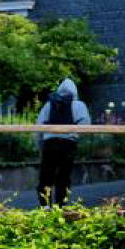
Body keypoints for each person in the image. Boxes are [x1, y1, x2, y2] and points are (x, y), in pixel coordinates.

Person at [36, 78, 90, 206]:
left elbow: (38, 126)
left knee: (46, 176)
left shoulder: (49, 105)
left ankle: (45, 207)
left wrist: (39, 144)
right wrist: (75, 135)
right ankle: (60, 206)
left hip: (50, 144)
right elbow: (86, 126)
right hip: (68, 145)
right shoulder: (79, 105)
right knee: (63, 177)